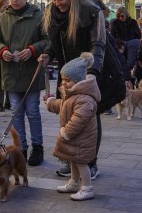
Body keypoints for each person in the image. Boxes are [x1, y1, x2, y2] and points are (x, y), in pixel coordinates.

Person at [39, 0, 105, 179]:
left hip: (86, 72)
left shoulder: (91, 11)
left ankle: (89, 163)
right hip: (66, 74)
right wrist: (48, 53)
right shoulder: (52, 12)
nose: (57, 3)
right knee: (67, 116)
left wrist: (92, 73)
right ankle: (71, 160)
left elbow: (98, 44)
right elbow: (55, 41)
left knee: (88, 119)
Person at [0, 0, 48, 166]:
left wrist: (32, 50)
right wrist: (2, 50)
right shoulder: (2, 17)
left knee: (32, 112)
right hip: (11, 72)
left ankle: (37, 147)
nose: (15, 0)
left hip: (31, 72)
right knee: (16, 113)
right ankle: (21, 148)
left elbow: (48, 40)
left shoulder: (38, 16)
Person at [46, 53, 100, 201]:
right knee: (73, 159)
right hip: (75, 137)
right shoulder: (73, 93)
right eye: (62, 79)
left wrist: (66, 132)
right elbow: (63, 105)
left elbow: (79, 120)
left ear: (78, 80)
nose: (63, 83)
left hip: (82, 137)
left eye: (67, 80)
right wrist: (51, 103)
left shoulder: (84, 98)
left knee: (81, 163)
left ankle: (87, 188)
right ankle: (73, 182)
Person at [110, 6, 141, 71]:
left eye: (122, 16)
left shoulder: (133, 22)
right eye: (118, 16)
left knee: (130, 64)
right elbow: (112, 36)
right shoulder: (115, 23)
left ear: (126, 14)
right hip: (120, 45)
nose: (120, 18)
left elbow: (138, 35)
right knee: (121, 63)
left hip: (132, 45)